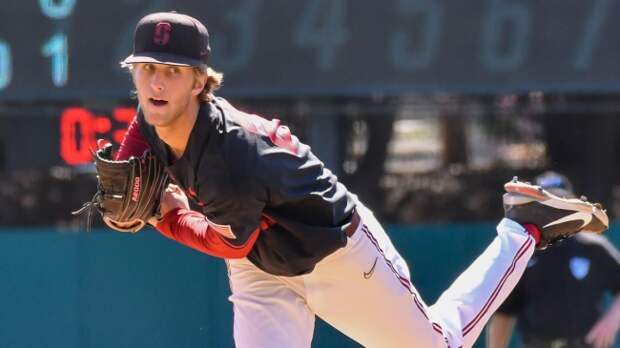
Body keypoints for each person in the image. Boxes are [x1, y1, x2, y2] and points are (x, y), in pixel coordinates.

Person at [111, 12, 608, 348]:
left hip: (333, 252)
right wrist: (125, 189)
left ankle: (524, 227)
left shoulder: (234, 156)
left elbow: (230, 243)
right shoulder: (156, 113)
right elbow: (138, 150)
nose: (156, 82)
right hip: (264, 266)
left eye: (173, 71)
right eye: (147, 69)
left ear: (200, 81)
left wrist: (166, 215)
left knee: (439, 344)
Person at [486, 172, 620, 348]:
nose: (554, 212)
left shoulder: (594, 248)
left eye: (560, 202)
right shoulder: (524, 251)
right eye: (547, 205)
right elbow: (504, 312)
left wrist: (612, 321)